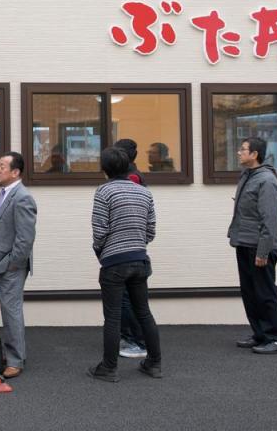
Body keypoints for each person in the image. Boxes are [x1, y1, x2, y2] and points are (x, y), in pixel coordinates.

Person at [88, 146, 162, 382]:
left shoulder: (104, 192)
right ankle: (154, 363)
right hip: (139, 259)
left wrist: (101, 252)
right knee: (144, 312)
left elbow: (99, 231)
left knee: (112, 316)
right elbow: (150, 230)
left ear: (105, 168)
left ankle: (109, 368)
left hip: (114, 262)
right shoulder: (144, 192)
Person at [0, 151, 37, 379]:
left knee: (11, 311)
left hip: (10, 266)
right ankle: (14, 355)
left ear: (15, 172)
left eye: (2, 166)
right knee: (9, 309)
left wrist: (12, 264)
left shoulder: (22, 197)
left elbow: (25, 238)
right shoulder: (5, 193)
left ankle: (15, 360)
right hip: (1, 263)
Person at [228, 136, 277, 354]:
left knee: (264, 292)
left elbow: (269, 220)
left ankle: (275, 338)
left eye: (243, 150)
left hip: (259, 246)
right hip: (244, 242)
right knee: (250, 292)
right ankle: (260, 334)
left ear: (254, 154)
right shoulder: (247, 176)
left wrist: (263, 251)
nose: (239, 152)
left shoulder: (267, 181)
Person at [112, 138, 148, 360]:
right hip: (131, 248)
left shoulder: (132, 178)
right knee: (129, 296)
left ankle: (136, 340)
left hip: (126, 249)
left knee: (128, 297)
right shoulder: (129, 176)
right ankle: (132, 337)